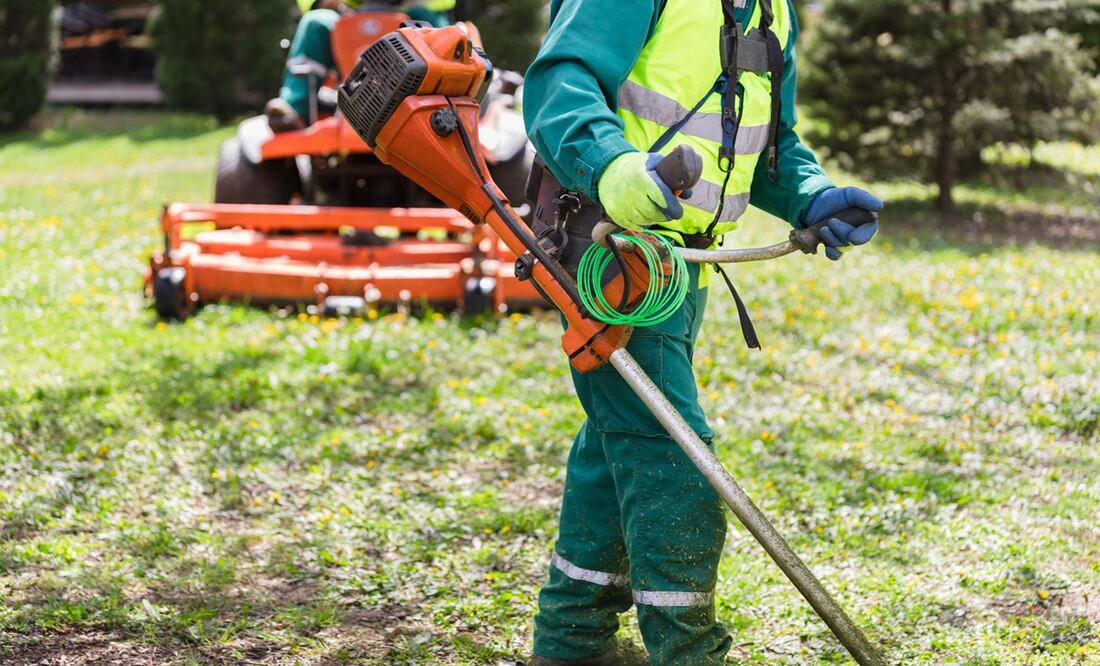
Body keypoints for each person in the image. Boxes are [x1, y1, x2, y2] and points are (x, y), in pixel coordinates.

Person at [522, 0, 883, 664]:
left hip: (686, 270)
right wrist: (614, 167)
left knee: (621, 445)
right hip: (612, 250)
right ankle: (689, 651)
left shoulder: (770, 11)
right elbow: (557, 82)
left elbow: (771, 143)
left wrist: (811, 194)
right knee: (674, 458)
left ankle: (570, 641)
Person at [265, 0, 456, 130]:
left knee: (440, 36)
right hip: (350, 14)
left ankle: (444, 110)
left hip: (414, 12)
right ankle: (295, 109)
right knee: (315, 23)